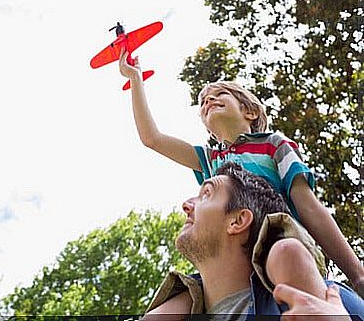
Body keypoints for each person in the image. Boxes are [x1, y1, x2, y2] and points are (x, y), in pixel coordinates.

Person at [118, 49, 364, 300]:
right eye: (203, 102)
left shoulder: (274, 145)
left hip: (278, 242)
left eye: (219, 94)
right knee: (174, 303)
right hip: (226, 260)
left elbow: (309, 206)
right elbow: (152, 138)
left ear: (250, 112)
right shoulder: (211, 161)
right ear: (210, 131)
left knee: (285, 256)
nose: (208, 101)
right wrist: (135, 79)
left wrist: (356, 275)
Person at [143, 162, 363, 319]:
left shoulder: (327, 301)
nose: (186, 204)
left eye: (206, 194)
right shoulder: (173, 310)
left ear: (238, 221)